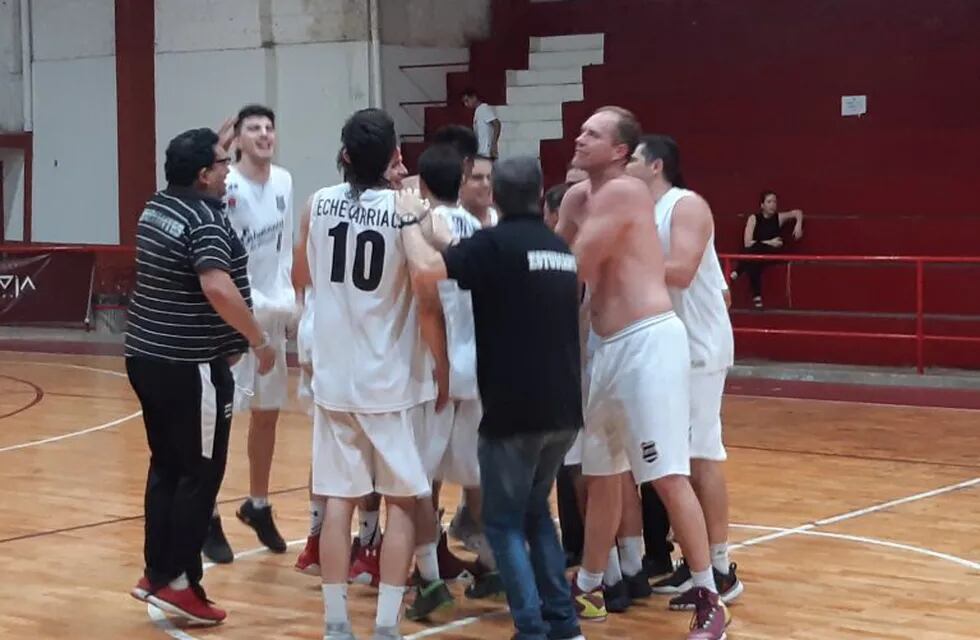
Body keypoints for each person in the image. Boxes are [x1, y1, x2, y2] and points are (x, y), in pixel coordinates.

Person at [556, 107, 729, 639]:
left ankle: (709, 595)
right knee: (602, 475)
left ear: (620, 152)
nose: (580, 137)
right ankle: (588, 588)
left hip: (648, 343)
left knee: (665, 473)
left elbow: (571, 264)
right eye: (581, 129)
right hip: (604, 346)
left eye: (593, 133)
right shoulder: (575, 197)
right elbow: (555, 251)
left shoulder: (626, 193)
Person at [399, 155, 585, 640]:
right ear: (540, 193)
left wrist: (405, 221)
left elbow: (425, 271)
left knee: (502, 524)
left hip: (514, 409)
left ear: (496, 196)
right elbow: (463, 250)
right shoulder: (557, 247)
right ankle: (564, 624)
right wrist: (428, 224)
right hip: (565, 408)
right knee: (536, 515)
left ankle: (530, 628)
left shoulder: (496, 246)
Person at [293, 108, 449, 640]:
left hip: (335, 377)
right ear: (394, 159)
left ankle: (337, 623)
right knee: (403, 500)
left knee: (338, 498)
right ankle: (385, 625)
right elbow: (432, 285)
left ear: (343, 156)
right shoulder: (410, 211)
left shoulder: (316, 203)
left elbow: (305, 276)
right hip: (391, 381)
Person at [126, 127, 276, 624]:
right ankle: (182, 582)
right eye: (220, 162)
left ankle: (157, 570)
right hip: (190, 367)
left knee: (166, 465)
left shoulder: (156, 207)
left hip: (145, 359)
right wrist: (257, 340)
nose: (228, 168)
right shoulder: (207, 220)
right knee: (199, 474)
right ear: (202, 175)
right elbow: (216, 286)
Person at [626, 135, 744, 607]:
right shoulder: (646, 211)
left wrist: (621, 261)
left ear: (655, 166)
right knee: (680, 460)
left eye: (633, 158)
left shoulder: (686, 204)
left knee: (702, 455)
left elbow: (682, 270)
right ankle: (691, 563)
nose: (627, 165)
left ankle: (720, 568)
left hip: (699, 347)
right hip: (672, 346)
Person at [293, 146, 410, 581]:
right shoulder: (401, 209)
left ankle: (322, 543)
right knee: (373, 463)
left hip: (325, 337)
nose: (403, 171)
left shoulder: (316, 201)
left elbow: (300, 272)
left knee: (333, 452)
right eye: (396, 162)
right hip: (366, 347)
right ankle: (362, 542)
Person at [404, 144, 503, 623]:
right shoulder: (478, 228)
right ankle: (490, 564)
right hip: (480, 364)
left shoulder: (428, 229)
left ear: (422, 187)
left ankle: (427, 578)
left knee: (419, 480)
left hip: (443, 367)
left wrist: (439, 369)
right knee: (477, 471)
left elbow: (428, 304)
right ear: (462, 180)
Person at [205, 104, 294, 561]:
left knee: (268, 412)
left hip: (273, 311)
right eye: (253, 129)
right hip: (237, 315)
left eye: (268, 128)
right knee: (224, 418)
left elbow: (282, 249)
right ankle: (208, 512)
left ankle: (257, 505)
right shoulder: (226, 185)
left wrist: (289, 300)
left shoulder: (284, 181)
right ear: (237, 138)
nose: (263, 135)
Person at [730, 190, 804, 308]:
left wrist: (798, 225)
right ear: (762, 205)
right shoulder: (754, 218)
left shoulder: (778, 217)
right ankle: (757, 298)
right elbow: (747, 242)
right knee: (754, 258)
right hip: (757, 253)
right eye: (769, 202)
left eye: (774, 201)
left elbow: (797, 212)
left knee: (754, 253)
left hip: (771, 253)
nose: (773, 204)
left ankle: (738, 271)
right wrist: (770, 242)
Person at [462, 88, 501, 160]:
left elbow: (497, 124)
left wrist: (494, 144)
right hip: (481, 151)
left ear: (474, 97)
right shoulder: (477, 112)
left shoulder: (483, 108)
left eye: (467, 101)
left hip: (487, 152)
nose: (466, 104)